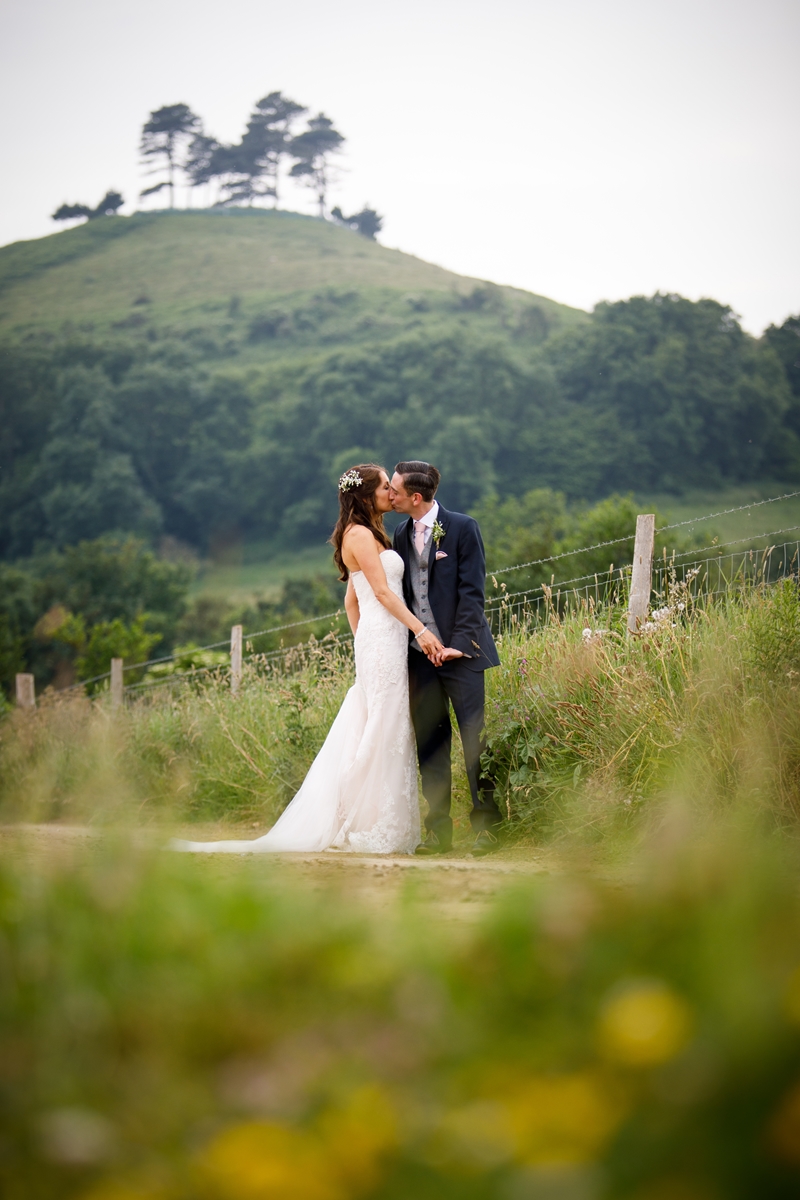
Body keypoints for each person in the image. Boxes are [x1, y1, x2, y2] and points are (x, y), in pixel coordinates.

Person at [172, 465, 443, 856]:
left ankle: (374, 818)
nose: (392, 491)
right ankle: (361, 821)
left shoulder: (369, 534)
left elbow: (353, 601)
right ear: (368, 495)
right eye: (385, 486)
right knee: (383, 724)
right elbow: (382, 594)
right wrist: (418, 631)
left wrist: (366, 638)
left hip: (381, 641)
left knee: (386, 723)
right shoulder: (361, 535)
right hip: (385, 641)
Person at [390, 461, 503, 857]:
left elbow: (473, 591)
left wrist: (459, 643)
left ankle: (487, 826)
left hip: (463, 654)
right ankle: (439, 832)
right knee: (431, 744)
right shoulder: (400, 534)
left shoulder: (463, 528)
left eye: (395, 489)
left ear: (415, 497)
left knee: (476, 738)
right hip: (420, 659)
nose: (389, 494)